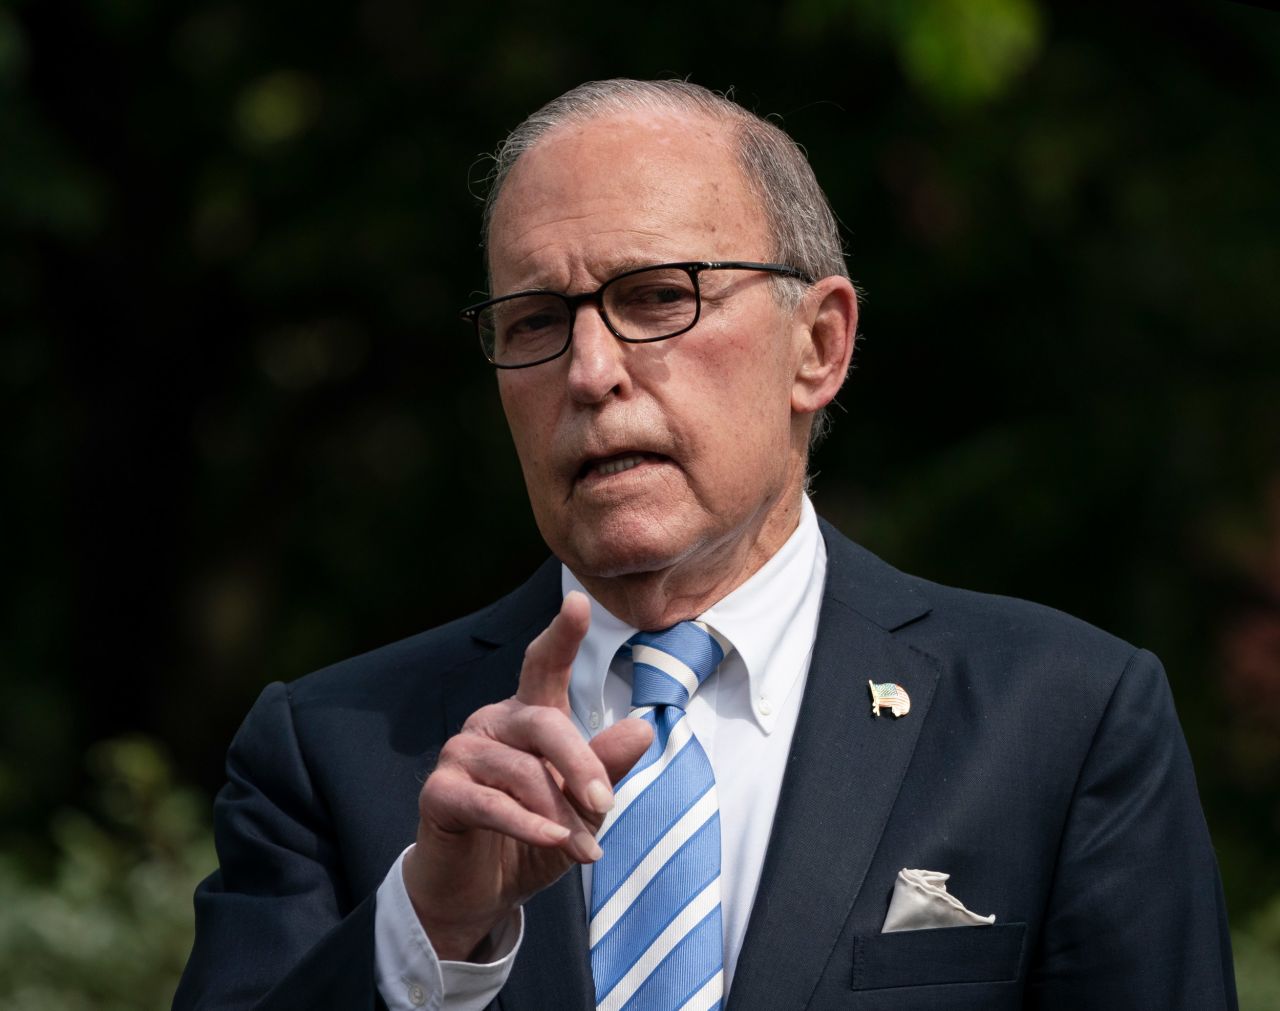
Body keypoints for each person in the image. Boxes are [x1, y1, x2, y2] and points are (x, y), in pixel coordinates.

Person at [174, 79, 1237, 1011]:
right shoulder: (339, 752)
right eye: (536, 321)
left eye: (653, 297)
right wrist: (426, 933)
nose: (588, 370)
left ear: (816, 346)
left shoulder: (1059, 719)